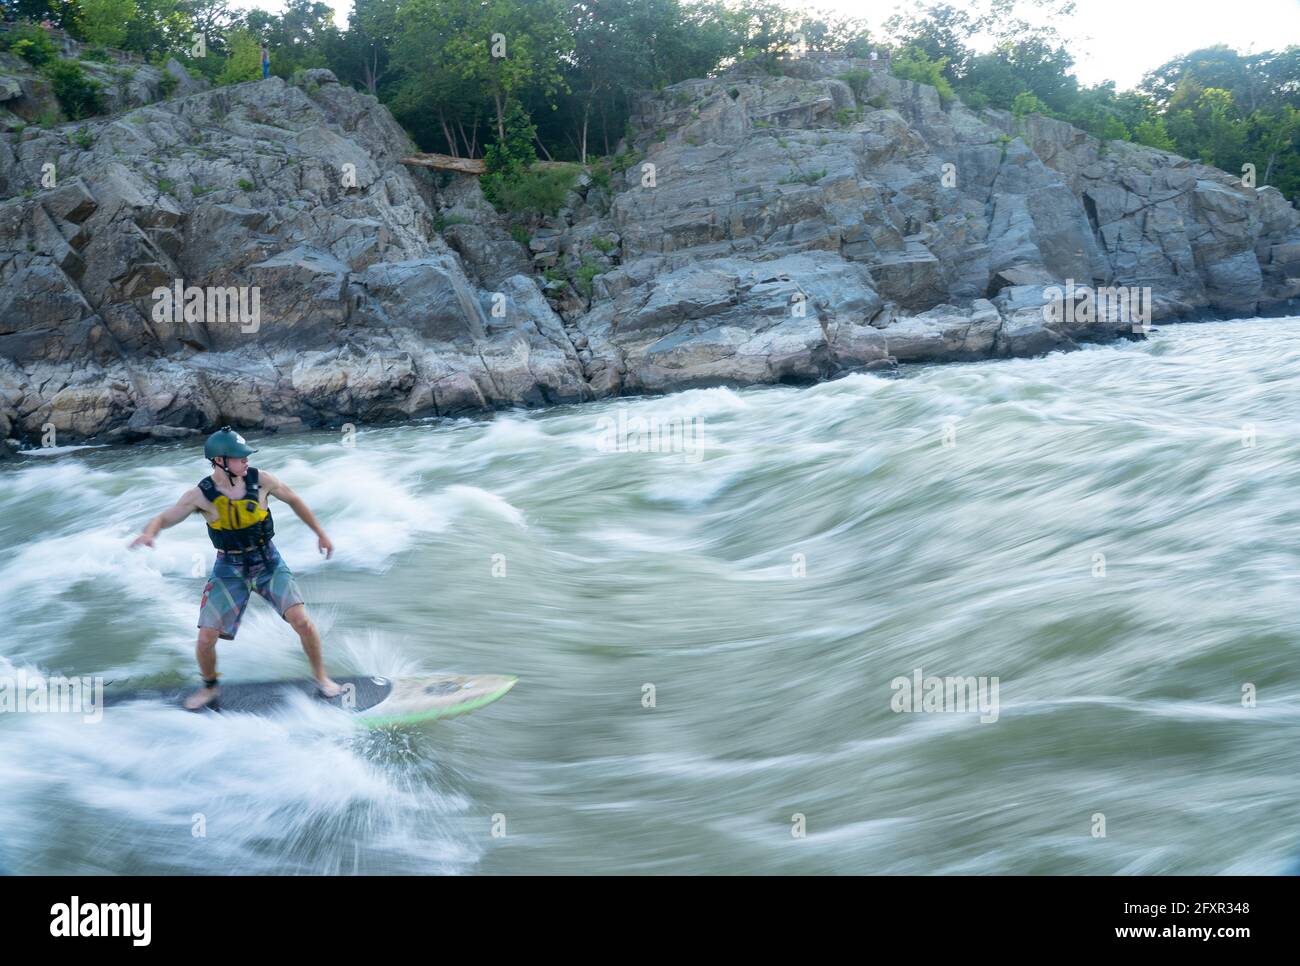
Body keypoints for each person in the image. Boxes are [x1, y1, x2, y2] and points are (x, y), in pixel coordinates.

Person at [129, 426, 341, 710]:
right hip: (229, 568)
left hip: (268, 561)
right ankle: (209, 688)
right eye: (240, 457)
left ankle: (321, 677)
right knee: (206, 638)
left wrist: (321, 534)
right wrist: (150, 533)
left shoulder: (262, 480)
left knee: (302, 621)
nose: (247, 461)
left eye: (246, 456)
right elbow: (164, 518)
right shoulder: (199, 496)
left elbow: (294, 499)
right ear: (220, 461)